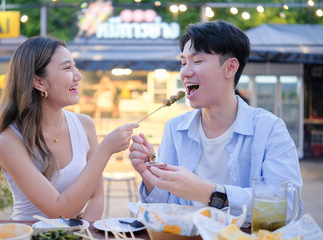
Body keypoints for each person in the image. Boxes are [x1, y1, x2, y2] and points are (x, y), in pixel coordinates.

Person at [129, 21, 303, 219]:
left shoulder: (269, 129)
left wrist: (209, 193)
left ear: (230, 68)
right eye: (183, 62)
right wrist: (150, 177)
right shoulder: (175, 129)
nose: (185, 72)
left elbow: (288, 205)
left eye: (197, 61)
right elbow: (165, 210)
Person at [0, 36, 138, 221]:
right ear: (38, 82)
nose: (78, 76)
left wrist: (81, 234)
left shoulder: (85, 125)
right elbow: (60, 211)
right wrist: (105, 150)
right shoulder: (8, 141)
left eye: (75, 66)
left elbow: (96, 198)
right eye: (67, 68)